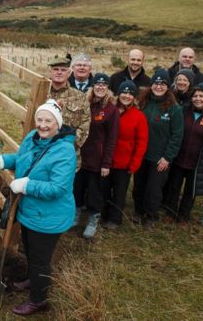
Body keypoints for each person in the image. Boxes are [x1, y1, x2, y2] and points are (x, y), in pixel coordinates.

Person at [0, 99, 77, 316]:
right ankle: (32, 279)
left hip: (49, 217)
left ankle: (39, 300)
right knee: (29, 250)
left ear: (58, 124)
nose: (43, 125)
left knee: (40, 260)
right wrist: (2, 160)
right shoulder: (33, 138)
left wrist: (27, 185)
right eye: (40, 119)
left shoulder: (64, 151)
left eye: (49, 121)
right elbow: (22, 159)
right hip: (29, 211)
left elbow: (57, 188)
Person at [163, 83, 203, 224]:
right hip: (179, 158)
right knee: (174, 187)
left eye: (201, 96)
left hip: (198, 162)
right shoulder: (183, 112)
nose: (198, 99)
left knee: (190, 191)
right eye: (195, 96)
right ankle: (170, 213)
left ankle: (183, 216)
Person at [132, 69, 183, 227]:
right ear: (151, 85)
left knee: (153, 189)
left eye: (162, 84)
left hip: (159, 157)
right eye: (156, 83)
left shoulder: (174, 109)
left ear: (168, 87)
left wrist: (168, 157)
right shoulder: (142, 102)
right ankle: (138, 211)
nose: (159, 86)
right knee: (138, 186)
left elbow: (177, 136)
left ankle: (151, 215)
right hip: (141, 154)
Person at [45, 55, 91, 226]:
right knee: (42, 189)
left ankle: (59, 224)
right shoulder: (40, 92)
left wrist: (65, 146)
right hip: (41, 154)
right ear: (49, 71)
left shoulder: (80, 97)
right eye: (55, 69)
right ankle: (41, 221)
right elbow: (27, 122)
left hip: (67, 156)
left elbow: (85, 126)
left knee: (62, 192)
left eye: (63, 70)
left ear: (69, 72)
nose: (59, 72)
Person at [101, 80, 148, 229]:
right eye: (124, 92)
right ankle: (103, 215)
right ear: (118, 94)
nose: (126, 96)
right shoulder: (109, 110)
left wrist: (134, 164)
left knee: (119, 193)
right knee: (104, 188)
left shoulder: (139, 116)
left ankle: (115, 219)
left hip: (124, 163)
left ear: (134, 97)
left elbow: (142, 142)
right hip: (106, 160)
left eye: (130, 94)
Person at [80, 73, 119, 239]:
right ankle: (75, 215)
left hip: (98, 157)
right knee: (77, 186)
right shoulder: (85, 103)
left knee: (95, 190)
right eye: (97, 84)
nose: (100, 87)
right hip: (81, 154)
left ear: (108, 88)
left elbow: (112, 138)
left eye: (104, 85)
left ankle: (93, 219)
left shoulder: (111, 110)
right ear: (93, 86)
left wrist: (106, 163)